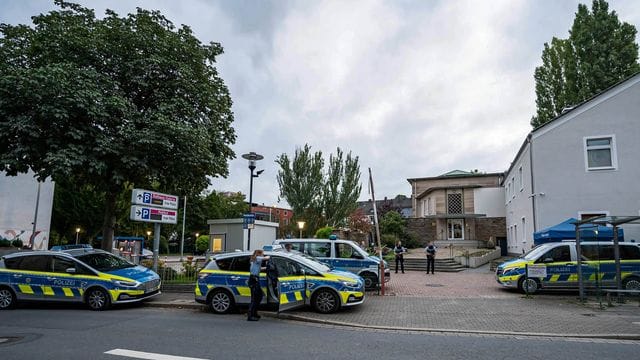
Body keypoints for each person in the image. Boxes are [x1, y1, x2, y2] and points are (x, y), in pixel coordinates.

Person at [248, 249, 269, 321]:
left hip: (255, 279)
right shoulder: (257, 257)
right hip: (254, 280)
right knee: (254, 299)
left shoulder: (256, 260)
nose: (263, 255)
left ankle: (254, 313)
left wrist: (267, 268)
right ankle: (250, 316)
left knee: (259, 296)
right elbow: (266, 258)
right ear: (259, 254)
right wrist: (272, 255)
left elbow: (258, 269)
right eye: (263, 253)